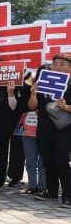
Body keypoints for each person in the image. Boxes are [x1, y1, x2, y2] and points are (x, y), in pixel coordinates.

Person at [28, 53, 71, 208]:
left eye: (62, 64)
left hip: (64, 130)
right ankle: (51, 192)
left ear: (69, 68)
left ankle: (67, 195)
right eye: (55, 63)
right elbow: (32, 107)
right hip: (44, 128)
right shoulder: (43, 83)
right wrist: (33, 93)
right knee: (48, 162)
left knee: (62, 162)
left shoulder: (70, 83)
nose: (58, 66)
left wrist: (66, 107)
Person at [19, 66, 47, 197]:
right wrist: (33, 93)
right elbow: (31, 106)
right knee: (30, 159)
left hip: (47, 128)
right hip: (29, 125)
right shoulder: (31, 86)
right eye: (42, 73)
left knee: (43, 160)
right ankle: (32, 185)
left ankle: (43, 186)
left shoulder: (59, 87)